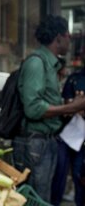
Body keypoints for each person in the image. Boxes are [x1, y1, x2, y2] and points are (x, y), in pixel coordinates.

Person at [12, 15, 85, 202]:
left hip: (47, 142)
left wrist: (66, 107)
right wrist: (71, 106)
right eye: (68, 35)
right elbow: (33, 108)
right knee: (37, 198)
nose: (70, 40)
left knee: (46, 197)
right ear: (58, 38)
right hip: (36, 144)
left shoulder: (51, 65)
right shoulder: (37, 63)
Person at [51, 58, 85, 206]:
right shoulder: (75, 79)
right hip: (67, 134)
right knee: (60, 173)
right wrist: (75, 107)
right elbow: (68, 107)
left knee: (80, 175)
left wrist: (76, 106)